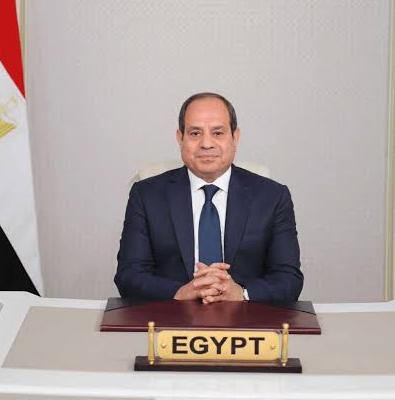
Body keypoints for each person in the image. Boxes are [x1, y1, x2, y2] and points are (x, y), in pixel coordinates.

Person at [114, 93, 303, 303]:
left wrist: (241, 293)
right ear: (180, 138)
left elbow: (288, 279)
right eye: (195, 133)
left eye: (218, 133)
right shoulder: (146, 195)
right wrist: (179, 292)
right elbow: (129, 275)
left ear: (235, 137)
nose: (206, 143)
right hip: (171, 316)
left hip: (245, 317)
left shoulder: (273, 197)